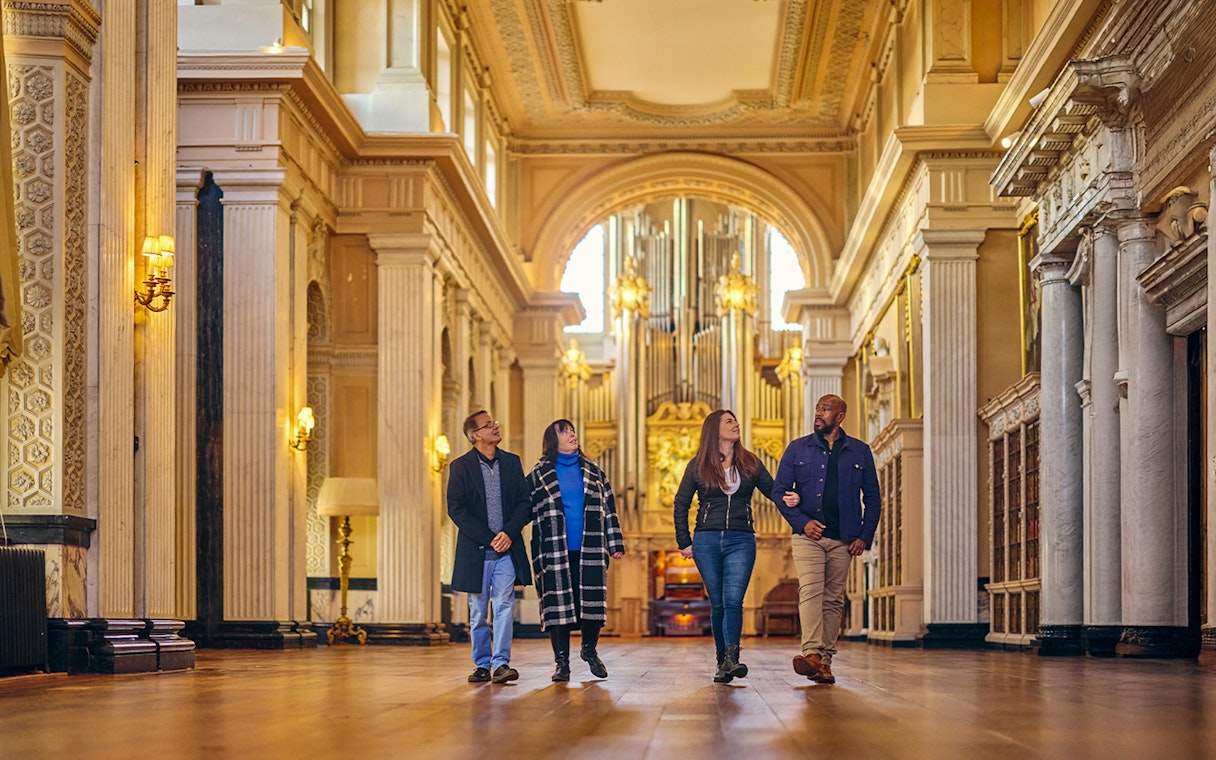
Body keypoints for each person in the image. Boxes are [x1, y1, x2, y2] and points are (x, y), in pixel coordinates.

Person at [674, 409, 797, 683]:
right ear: (713, 429)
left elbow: (773, 490)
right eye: (729, 421)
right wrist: (684, 541)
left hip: (741, 538)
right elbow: (681, 503)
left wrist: (790, 499)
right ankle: (722, 662)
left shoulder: (750, 462)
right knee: (717, 604)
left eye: (736, 421)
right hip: (706, 539)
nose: (736, 425)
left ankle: (732, 657)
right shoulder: (697, 465)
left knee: (733, 601)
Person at [771, 394, 881, 685]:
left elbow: (873, 498)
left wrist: (863, 536)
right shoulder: (797, 448)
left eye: (825, 409)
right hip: (808, 537)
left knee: (833, 600)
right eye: (817, 408)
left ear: (840, 416)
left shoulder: (860, 451)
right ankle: (811, 654)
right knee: (810, 590)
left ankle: (824, 662)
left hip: (844, 538)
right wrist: (803, 523)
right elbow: (779, 491)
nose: (818, 413)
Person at [527, 419, 625, 681]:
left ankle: (589, 650)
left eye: (572, 430)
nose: (572, 434)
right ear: (552, 440)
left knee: (591, 605)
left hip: (590, 548)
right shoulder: (539, 474)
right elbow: (522, 509)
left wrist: (614, 542)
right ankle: (562, 663)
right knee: (557, 606)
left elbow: (609, 509)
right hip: (553, 550)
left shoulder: (594, 471)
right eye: (564, 431)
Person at [447, 411, 533, 684]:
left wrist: (508, 532)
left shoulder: (511, 462)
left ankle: (501, 664)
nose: (496, 426)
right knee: (478, 612)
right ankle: (482, 663)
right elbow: (457, 510)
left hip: (507, 550)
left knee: (505, 606)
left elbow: (524, 502)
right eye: (489, 425)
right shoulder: (460, 467)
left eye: (494, 422)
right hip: (476, 552)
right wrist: (488, 537)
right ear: (476, 435)